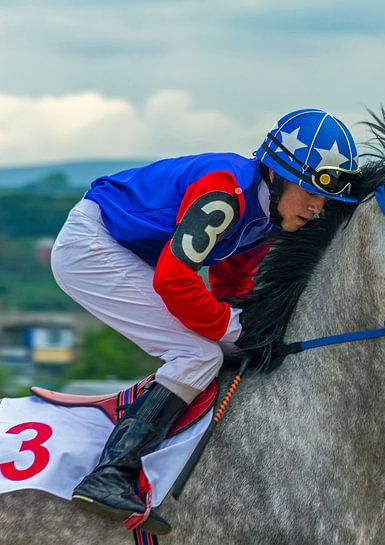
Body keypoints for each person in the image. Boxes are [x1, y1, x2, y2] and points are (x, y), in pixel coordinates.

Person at [50, 108, 360, 532]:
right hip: (92, 246)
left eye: (324, 198)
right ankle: (111, 473)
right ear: (277, 174)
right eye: (310, 191)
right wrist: (235, 329)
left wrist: (245, 331)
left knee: (220, 348)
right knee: (198, 354)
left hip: (129, 254)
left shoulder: (266, 217)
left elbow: (231, 280)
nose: (317, 207)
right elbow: (174, 280)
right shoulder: (225, 190)